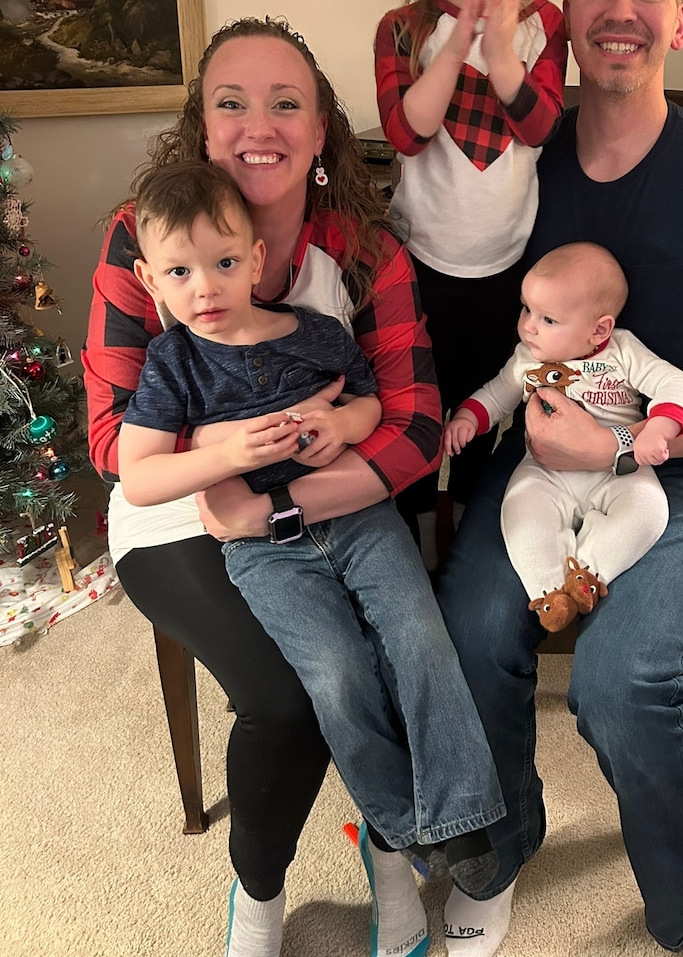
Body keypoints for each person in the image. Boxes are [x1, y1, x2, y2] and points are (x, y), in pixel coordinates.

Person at [436, 0, 683, 957]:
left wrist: (617, 450)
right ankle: (501, 847)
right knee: (467, 630)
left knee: (621, 677)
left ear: (678, 20)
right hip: (536, 463)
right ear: (566, 18)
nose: (620, 11)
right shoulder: (519, 164)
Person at [82, 17, 463, 957]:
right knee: (290, 696)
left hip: (327, 496)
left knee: (397, 649)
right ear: (202, 130)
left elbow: (415, 421)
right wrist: (229, 451)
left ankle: (389, 856)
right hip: (178, 511)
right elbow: (108, 441)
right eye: (232, 102)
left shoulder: (365, 251)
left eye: (287, 102)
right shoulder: (143, 238)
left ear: (322, 127)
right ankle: (258, 898)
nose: (261, 124)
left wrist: (285, 496)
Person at [117, 161, 503, 908]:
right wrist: (225, 453)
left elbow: (369, 408)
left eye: (225, 263)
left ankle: (465, 817)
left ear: (256, 260)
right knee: (336, 673)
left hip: (359, 520)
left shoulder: (318, 333)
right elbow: (138, 476)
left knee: (421, 637)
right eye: (180, 271)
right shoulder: (173, 363)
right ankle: (402, 825)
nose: (205, 289)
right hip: (264, 553)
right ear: (149, 280)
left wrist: (340, 424)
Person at [375, 0, 567, 567]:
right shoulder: (402, 31)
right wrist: (460, 43)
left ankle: (478, 550)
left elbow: (542, 124)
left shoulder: (544, 20)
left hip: (507, 270)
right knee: (420, 415)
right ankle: (416, 546)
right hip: (421, 265)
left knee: (489, 416)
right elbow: (408, 131)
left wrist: (505, 54)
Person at [443, 241, 683, 631]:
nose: (528, 325)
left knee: (649, 511)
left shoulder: (623, 352)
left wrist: (660, 426)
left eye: (548, 319)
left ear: (599, 329)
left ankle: (590, 574)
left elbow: (674, 383)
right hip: (546, 468)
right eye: (527, 308)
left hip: (618, 468)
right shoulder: (528, 359)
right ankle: (547, 592)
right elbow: (498, 393)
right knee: (520, 509)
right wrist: (468, 417)